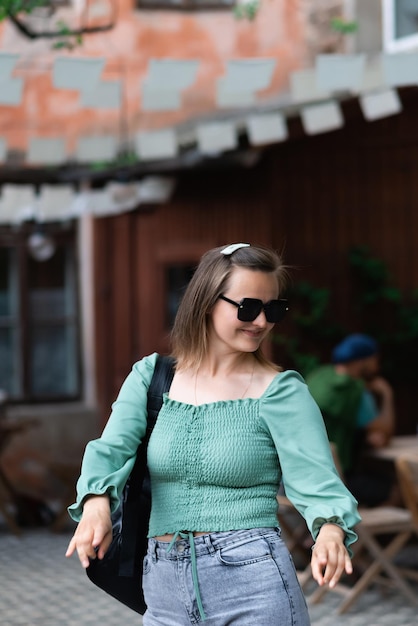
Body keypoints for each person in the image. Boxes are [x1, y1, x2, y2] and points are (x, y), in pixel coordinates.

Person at [66, 243, 360, 626]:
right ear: (206, 302)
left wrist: (331, 532)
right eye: (248, 307)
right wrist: (95, 504)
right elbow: (111, 450)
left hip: (253, 578)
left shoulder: (281, 391)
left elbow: (318, 481)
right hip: (164, 585)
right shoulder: (151, 377)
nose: (261, 322)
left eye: (273, 310)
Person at [306, 333, 396, 507]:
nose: (377, 366)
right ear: (364, 361)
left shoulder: (317, 377)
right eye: (375, 359)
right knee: (398, 487)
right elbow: (385, 433)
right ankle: (363, 530)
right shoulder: (356, 392)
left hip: (298, 480)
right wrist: (387, 394)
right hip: (335, 483)